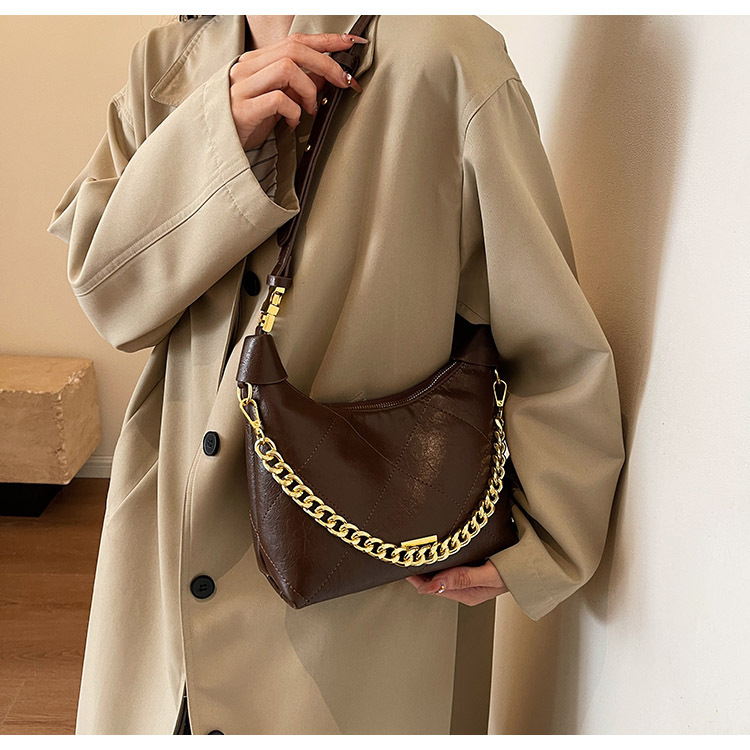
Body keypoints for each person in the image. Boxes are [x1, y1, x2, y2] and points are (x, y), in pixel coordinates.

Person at [46, 14, 626, 735]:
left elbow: (548, 334)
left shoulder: (446, 60)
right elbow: (112, 301)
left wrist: (544, 544)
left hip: (358, 598)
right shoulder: (165, 64)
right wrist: (216, 136)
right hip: (164, 559)